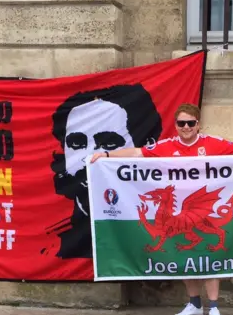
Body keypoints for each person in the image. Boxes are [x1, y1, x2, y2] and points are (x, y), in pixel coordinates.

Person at [91, 103, 233, 315]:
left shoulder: (211, 143)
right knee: (184, 258)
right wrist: (106, 155)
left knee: (209, 258)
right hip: (179, 214)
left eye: (190, 123)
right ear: (175, 125)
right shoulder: (166, 146)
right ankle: (194, 304)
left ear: (198, 125)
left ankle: (214, 307)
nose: (186, 127)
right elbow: (137, 153)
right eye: (181, 123)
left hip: (197, 209)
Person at [50, 84, 162, 259]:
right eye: (77, 144)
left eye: (109, 143)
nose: (91, 157)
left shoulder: (157, 236)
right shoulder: (52, 244)